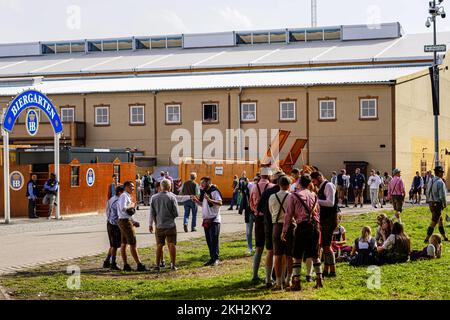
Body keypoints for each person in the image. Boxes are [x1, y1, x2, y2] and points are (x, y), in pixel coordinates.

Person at [282, 174, 323, 291]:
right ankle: (319, 280)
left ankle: (296, 282)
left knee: (297, 255)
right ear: (309, 183)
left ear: (299, 182)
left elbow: (288, 214)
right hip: (314, 226)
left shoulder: (294, 196)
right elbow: (318, 213)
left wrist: (284, 231)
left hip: (302, 226)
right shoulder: (314, 195)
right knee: (315, 255)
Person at [257, 169, 285, 288]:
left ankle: (268, 279)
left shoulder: (267, 192)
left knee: (270, 251)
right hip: (283, 225)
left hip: (268, 224)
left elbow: (259, 208)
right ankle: (282, 278)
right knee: (283, 253)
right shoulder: (288, 193)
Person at [310, 171, 338, 278]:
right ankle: (326, 269)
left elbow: (330, 203)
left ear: (319, 178)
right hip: (325, 219)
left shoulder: (329, 185)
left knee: (327, 246)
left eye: (314, 181)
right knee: (325, 245)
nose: (314, 183)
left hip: (330, 219)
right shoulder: (321, 186)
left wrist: (316, 200)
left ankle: (333, 270)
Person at [249, 167, 274, 283]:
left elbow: (251, 204)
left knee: (258, 247)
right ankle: (269, 276)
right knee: (270, 248)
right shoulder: (272, 187)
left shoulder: (254, 187)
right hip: (269, 218)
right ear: (269, 176)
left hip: (258, 218)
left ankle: (254, 275)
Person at [149, 179, 180, 271]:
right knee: (171, 244)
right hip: (170, 225)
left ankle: (157, 265)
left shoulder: (154, 198)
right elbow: (176, 213)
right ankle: (173, 265)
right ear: (169, 187)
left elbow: (152, 213)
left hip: (159, 225)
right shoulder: (172, 197)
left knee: (159, 245)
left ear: (161, 187)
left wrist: (153, 223)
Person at [269, 175, 293, 290]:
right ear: (289, 185)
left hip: (277, 226)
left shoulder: (272, 197)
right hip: (290, 226)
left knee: (277, 255)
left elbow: (271, 211)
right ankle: (288, 280)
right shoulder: (292, 197)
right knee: (289, 255)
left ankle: (278, 282)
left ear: (278, 184)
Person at [193, 176, 223, 266]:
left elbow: (220, 203)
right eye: (201, 182)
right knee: (209, 240)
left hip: (214, 220)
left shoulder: (214, 191)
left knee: (214, 240)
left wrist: (209, 199)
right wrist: (196, 201)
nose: (201, 184)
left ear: (208, 183)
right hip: (206, 220)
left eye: (203, 182)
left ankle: (216, 259)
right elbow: (203, 204)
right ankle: (212, 258)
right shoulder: (204, 192)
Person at [117, 181, 147, 272]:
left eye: (133, 187)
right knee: (133, 243)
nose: (133, 188)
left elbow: (127, 211)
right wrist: (132, 205)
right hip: (125, 221)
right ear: (125, 187)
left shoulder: (126, 196)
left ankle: (126, 265)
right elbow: (123, 208)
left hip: (125, 220)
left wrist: (133, 221)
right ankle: (139, 264)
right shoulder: (124, 196)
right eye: (131, 186)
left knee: (124, 243)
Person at [424, 166, 449, 243]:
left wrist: (428, 200)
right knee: (434, 222)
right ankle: (427, 238)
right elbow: (442, 195)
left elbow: (427, 192)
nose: (443, 174)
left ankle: (444, 237)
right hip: (437, 204)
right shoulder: (440, 182)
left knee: (440, 220)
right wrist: (444, 204)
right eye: (442, 172)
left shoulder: (430, 181)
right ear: (439, 173)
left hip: (431, 203)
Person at [103, 185, 124, 271]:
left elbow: (107, 211)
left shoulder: (111, 199)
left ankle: (107, 261)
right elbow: (120, 214)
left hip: (109, 223)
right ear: (120, 192)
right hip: (115, 225)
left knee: (112, 244)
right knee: (115, 245)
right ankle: (113, 263)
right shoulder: (118, 201)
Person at [243, 176, 259, 254]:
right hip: (249, 211)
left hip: (257, 212)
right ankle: (249, 247)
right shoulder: (249, 186)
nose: (255, 181)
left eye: (257, 180)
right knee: (249, 231)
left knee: (257, 231)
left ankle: (257, 247)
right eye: (254, 179)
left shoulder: (260, 189)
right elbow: (243, 186)